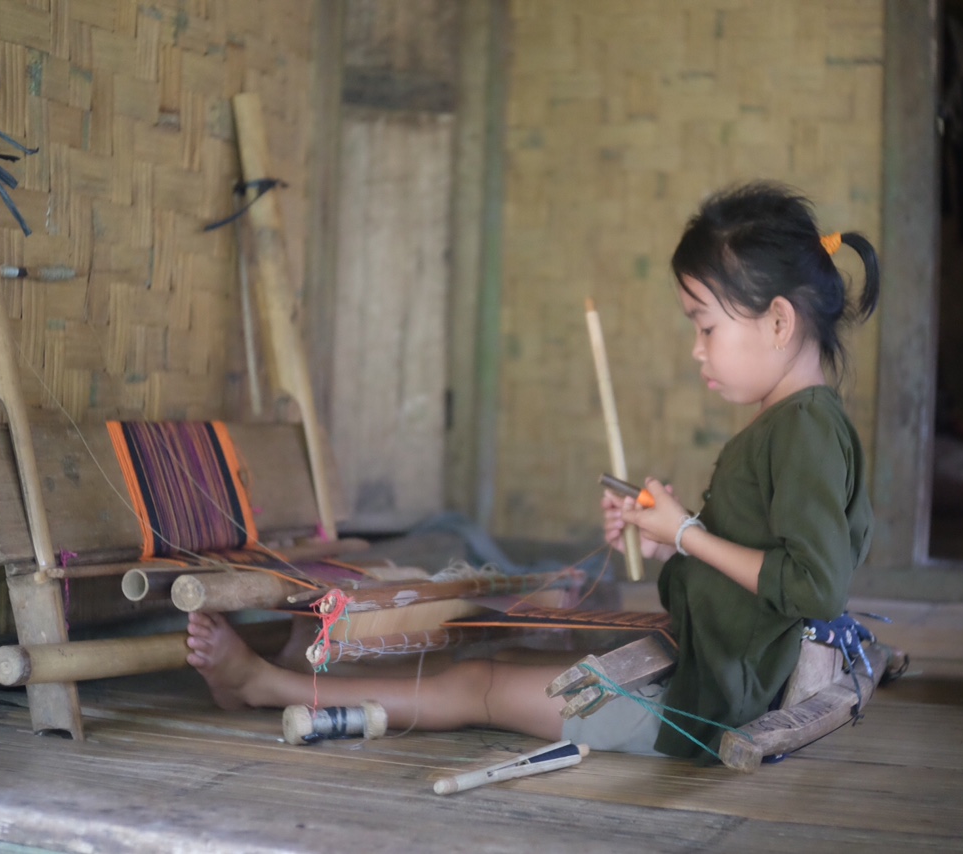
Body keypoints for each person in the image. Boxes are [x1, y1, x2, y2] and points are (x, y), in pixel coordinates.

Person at [186, 180, 881, 760]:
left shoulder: (806, 428)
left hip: (713, 710)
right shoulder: (799, 426)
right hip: (717, 680)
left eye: (705, 326)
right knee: (483, 676)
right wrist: (669, 539)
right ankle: (273, 680)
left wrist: (689, 532)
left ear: (779, 322)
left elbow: (814, 588)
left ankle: (264, 686)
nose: (697, 350)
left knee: (477, 685)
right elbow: (760, 578)